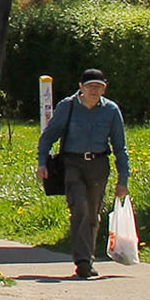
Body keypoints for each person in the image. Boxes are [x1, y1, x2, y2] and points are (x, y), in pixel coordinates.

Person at [36, 67, 129, 280]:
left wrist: (123, 180)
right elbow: (48, 137)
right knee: (80, 207)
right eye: (90, 87)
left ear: (104, 89)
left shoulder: (111, 110)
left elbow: (120, 147)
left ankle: (87, 258)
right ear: (81, 88)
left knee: (93, 212)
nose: (94, 91)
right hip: (73, 164)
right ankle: (83, 261)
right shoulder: (67, 106)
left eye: (98, 87)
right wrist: (42, 163)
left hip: (98, 166)